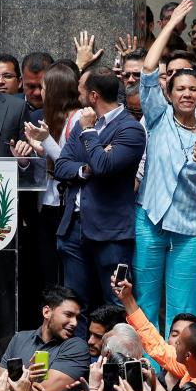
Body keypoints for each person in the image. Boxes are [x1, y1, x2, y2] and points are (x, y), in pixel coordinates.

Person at [135, 0, 196, 334]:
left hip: (190, 227)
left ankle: (180, 372)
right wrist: (171, 24)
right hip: (150, 217)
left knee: (184, 307)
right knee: (146, 300)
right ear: (170, 93)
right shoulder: (158, 117)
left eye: (192, 89)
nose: (187, 94)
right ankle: (147, 371)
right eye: (180, 89)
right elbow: (148, 68)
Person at [53, 67, 146, 311]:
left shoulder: (131, 129)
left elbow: (105, 166)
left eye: (82, 89)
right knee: (74, 304)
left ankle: (118, 350)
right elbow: (61, 166)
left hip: (110, 233)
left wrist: (90, 132)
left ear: (94, 96)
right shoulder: (85, 124)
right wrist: (86, 169)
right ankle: (76, 350)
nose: (78, 94)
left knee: (115, 302)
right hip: (73, 227)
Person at [114, 275, 196, 385]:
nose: (174, 344)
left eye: (180, 342)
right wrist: (127, 298)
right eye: (175, 335)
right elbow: (154, 343)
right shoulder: (193, 365)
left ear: (188, 356)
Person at [0, 285, 90, 391]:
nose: (74, 323)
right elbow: (0, 386)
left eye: (77, 317)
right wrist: (27, 379)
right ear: (47, 312)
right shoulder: (20, 338)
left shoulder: (77, 347)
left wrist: (16, 388)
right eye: (68, 315)